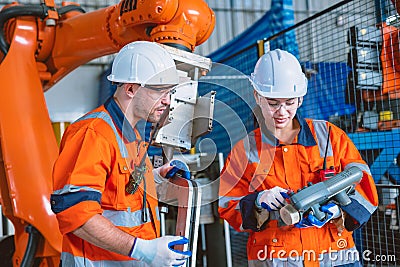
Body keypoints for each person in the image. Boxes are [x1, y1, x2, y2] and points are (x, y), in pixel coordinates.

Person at [218, 49, 378, 267]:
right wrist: (257, 202)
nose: (282, 111)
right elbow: (228, 205)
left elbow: (364, 183)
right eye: (273, 103)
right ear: (257, 97)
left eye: (290, 102)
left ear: (301, 99)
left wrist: (338, 209)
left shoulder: (330, 136)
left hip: (336, 257)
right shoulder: (243, 151)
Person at [50, 41, 191, 267]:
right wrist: (142, 249)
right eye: (159, 90)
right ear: (131, 89)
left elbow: (122, 194)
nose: (167, 100)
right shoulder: (92, 134)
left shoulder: (131, 136)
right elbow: (76, 214)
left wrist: (155, 178)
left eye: (169, 92)